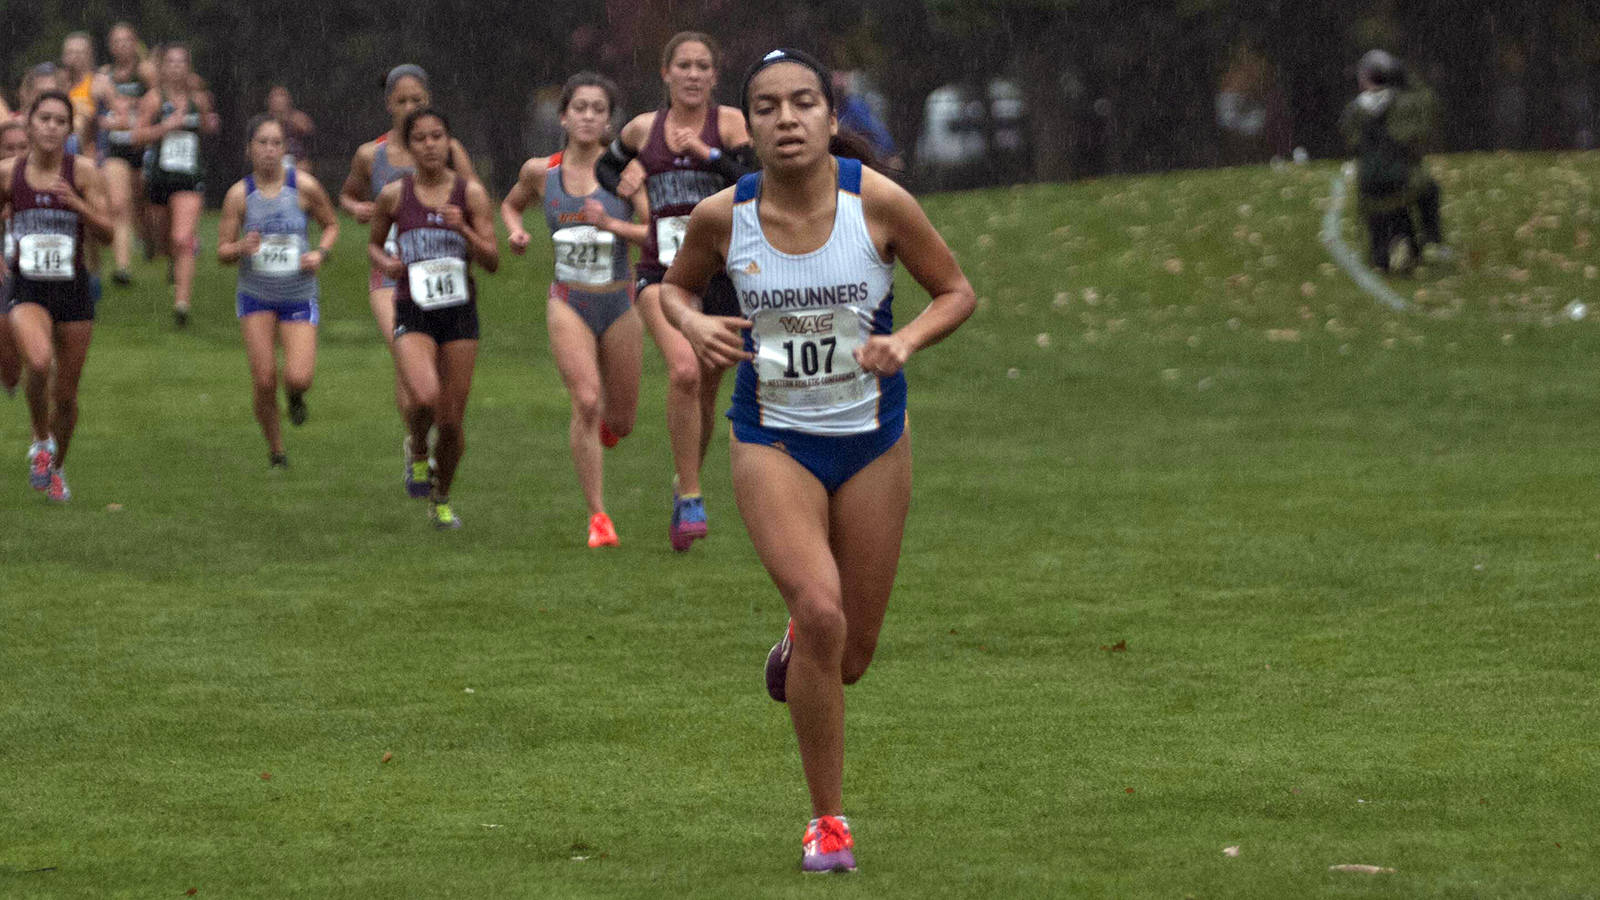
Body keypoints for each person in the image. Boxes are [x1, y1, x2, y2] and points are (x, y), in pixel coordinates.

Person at [658, 49, 975, 873]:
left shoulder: (880, 203)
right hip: (774, 439)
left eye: (803, 103)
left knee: (851, 656)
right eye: (767, 107)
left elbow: (956, 292)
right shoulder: (724, 217)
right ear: (749, 127)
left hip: (873, 440)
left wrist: (904, 341)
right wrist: (693, 325)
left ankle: (800, 647)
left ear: (832, 119)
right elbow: (673, 289)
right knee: (823, 613)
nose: (787, 119)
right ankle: (827, 824)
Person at [597, 31, 756, 552]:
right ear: (666, 73)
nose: (693, 74)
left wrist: (708, 154)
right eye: (683, 65)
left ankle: (683, 482)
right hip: (660, 273)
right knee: (684, 370)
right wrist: (627, 182)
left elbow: (754, 178)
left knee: (705, 390)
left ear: (714, 76)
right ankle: (691, 496)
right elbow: (606, 166)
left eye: (702, 66)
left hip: (720, 275)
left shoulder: (729, 124)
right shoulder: (644, 128)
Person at [503, 72, 647, 548]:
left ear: (609, 121)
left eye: (598, 109)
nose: (588, 116)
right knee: (585, 400)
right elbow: (511, 205)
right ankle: (598, 517)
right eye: (579, 108)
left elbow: (654, 233)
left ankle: (606, 427)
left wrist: (613, 225)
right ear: (563, 117)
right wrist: (516, 231)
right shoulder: (540, 172)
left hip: (619, 301)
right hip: (568, 301)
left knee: (621, 421)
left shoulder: (626, 174)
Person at [341, 65, 477, 497]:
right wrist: (358, 209)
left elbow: (474, 199)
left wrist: (460, 226)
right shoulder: (372, 155)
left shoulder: (449, 150)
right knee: (410, 365)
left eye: (417, 100)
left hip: (442, 275)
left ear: (429, 101)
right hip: (391, 275)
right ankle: (417, 450)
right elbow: (347, 194)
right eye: (401, 101)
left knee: (438, 378)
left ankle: (424, 439)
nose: (409, 107)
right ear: (389, 105)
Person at [367, 107, 497, 528]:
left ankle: (441, 498)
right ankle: (419, 447)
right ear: (409, 147)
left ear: (449, 141)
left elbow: (492, 260)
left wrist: (465, 231)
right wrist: (386, 264)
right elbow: (373, 245)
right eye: (420, 138)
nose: (429, 145)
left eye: (437, 136)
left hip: (459, 315)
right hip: (413, 309)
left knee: (453, 423)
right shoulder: (394, 195)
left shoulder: (470, 195)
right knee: (424, 397)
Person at [1, 91, 114, 502]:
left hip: (73, 292)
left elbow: (109, 233)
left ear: (69, 129)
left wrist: (78, 206)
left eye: (60, 121)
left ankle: (57, 467)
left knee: (65, 397)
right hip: (27, 287)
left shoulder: (82, 172)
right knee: (37, 360)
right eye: (44, 118)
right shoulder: (8, 174)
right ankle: (40, 440)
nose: (51, 127)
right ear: (29, 124)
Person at [216, 115, 339, 468]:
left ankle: (296, 396)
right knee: (265, 379)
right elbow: (222, 251)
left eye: (276, 143)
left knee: (298, 376)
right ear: (249, 149)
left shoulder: (304, 187)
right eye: (262, 143)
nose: (270, 150)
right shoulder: (239, 195)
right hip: (255, 295)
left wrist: (320, 253)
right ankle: (277, 450)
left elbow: (331, 224)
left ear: (285, 149)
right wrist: (240, 247)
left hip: (298, 293)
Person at [1339, 50, 1447, 274]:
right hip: (1402, 181)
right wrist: (1407, 77)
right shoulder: (1405, 104)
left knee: (1380, 247)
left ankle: (1384, 254)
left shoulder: (1355, 109)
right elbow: (1428, 108)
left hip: (1369, 186)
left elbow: (1350, 139)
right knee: (1428, 189)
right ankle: (1430, 240)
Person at [134, 43, 218, 326]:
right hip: (160, 177)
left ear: (188, 67)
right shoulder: (153, 100)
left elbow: (206, 128)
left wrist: (208, 122)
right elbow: (136, 137)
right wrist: (165, 127)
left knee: (183, 238)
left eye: (181, 62)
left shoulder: (199, 100)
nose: (176, 67)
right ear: (163, 67)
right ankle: (171, 259)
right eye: (171, 62)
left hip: (189, 177)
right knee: (165, 239)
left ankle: (182, 303)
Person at [98, 22, 156, 285]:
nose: (121, 46)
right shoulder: (104, 74)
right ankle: (123, 267)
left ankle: (151, 241)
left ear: (134, 44)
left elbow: (158, 98)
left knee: (143, 204)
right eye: (116, 41)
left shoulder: (144, 72)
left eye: (126, 40)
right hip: (116, 147)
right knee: (120, 205)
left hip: (142, 145)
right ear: (110, 46)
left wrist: (132, 107)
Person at [1, 119, 29, 398]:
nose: (16, 154)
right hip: (4, 266)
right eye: (9, 148)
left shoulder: (42, 181)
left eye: (23, 147)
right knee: (9, 363)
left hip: (36, 269)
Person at [265, 85, 315, 174]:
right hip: (272, 162)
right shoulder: (263, 123)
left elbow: (311, 142)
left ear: (288, 100)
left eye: (281, 96)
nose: (279, 100)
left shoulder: (300, 120)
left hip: (298, 162)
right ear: (269, 102)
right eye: (275, 96)